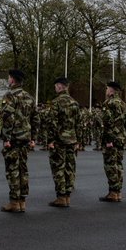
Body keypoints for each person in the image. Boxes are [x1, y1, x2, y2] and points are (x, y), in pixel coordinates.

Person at [0, 69, 35, 213]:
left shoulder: (10, 95)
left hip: (14, 138)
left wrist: (6, 138)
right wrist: (33, 138)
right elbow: (35, 118)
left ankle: (14, 201)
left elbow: (8, 117)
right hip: (25, 138)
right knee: (23, 169)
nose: (8, 80)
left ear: (12, 80)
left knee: (12, 169)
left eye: (9, 78)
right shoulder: (29, 97)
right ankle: (22, 201)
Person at [47, 76, 81, 208]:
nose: (55, 89)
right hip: (72, 139)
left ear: (60, 86)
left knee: (59, 168)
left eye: (56, 86)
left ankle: (61, 197)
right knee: (70, 168)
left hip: (60, 140)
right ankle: (67, 196)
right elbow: (78, 123)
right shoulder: (74, 103)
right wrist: (78, 140)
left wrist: (50, 140)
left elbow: (52, 123)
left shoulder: (56, 102)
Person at [99, 81, 126, 202]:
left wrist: (109, 139)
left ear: (111, 90)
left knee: (110, 165)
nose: (106, 91)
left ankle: (113, 192)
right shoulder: (123, 104)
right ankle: (118, 192)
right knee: (119, 165)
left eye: (107, 89)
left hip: (112, 138)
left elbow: (107, 122)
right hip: (121, 137)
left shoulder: (109, 103)